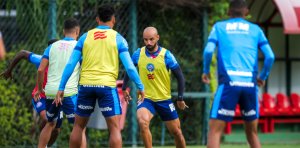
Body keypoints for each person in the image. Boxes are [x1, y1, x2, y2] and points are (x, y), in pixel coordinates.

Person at [54, 5, 144, 148]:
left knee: (78, 127)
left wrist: (61, 87)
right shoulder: (118, 39)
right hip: (106, 87)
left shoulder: (85, 37)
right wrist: (140, 86)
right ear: (113, 19)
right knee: (114, 128)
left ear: (97, 19)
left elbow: (71, 64)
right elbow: (130, 68)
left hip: (86, 86)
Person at [201, 0, 275, 148]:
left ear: (228, 12)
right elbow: (270, 56)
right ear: (246, 12)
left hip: (229, 84)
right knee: (252, 134)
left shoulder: (219, 27)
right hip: (250, 85)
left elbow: (208, 50)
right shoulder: (256, 30)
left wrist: (206, 71)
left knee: (215, 131)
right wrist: (262, 77)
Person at [122, 27, 188, 148]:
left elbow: (180, 77)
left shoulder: (166, 55)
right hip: (146, 98)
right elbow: (129, 70)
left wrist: (180, 98)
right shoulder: (138, 54)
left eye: (151, 39)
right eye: (145, 40)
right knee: (143, 123)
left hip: (164, 99)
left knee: (177, 132)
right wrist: (124, 88)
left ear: (157, 38)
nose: (148, 43)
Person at [34, 18, 86, 148]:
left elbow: (40, 69)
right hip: (68, 92)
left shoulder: (52, 46)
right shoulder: (79, 46)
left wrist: (40, 89)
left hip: (50, 91)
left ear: (63, 31)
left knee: (50, 123)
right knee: (79, 126)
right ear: (78, 31)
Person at [0, 39, 60, 146]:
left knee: (56, 130)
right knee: (49, 120)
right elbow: (22, 53)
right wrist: (9, 70)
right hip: (40, 96)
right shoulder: (41, 60)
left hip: (55, 98)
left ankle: (45, 144)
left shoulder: (64, 63)